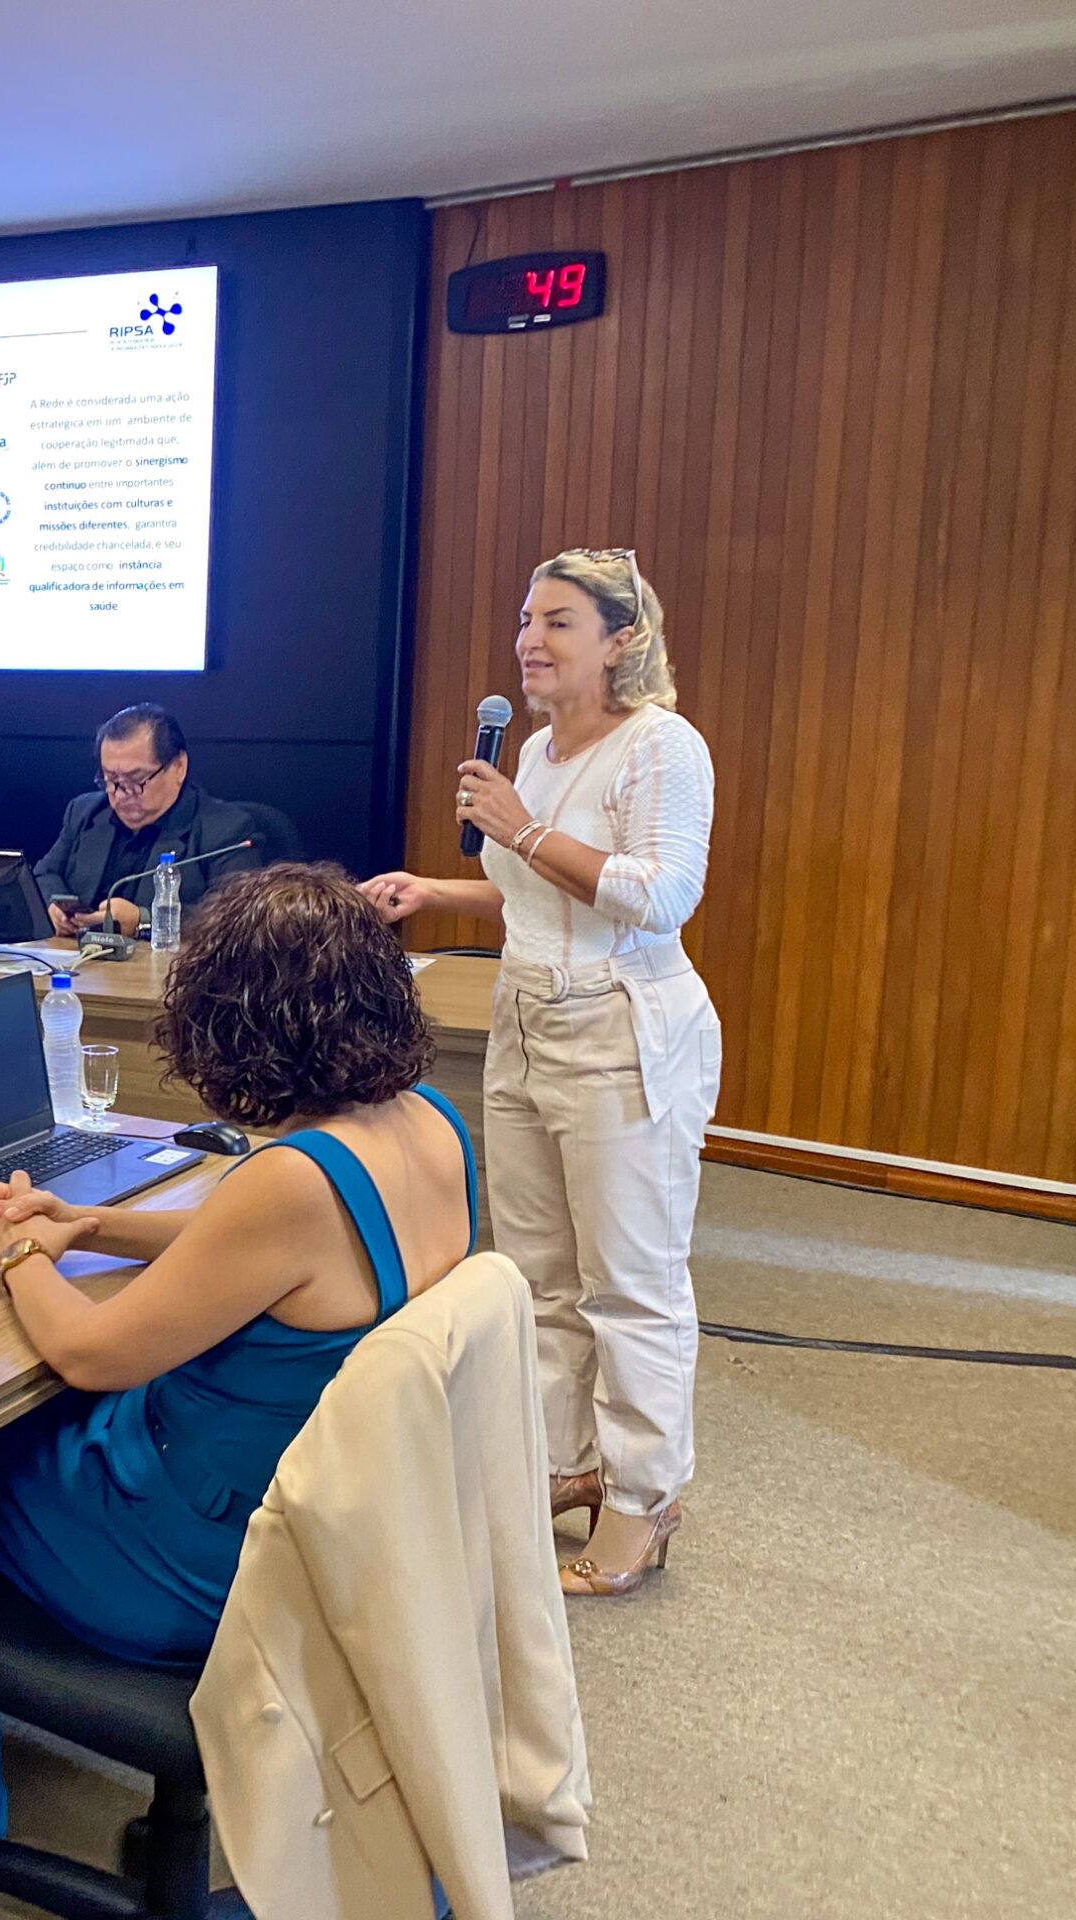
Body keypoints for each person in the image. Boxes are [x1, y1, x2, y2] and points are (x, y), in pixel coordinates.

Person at [0, 865, 478, 1836]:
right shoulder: (429, 1124)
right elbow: (265, 1259)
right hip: (337, 1521)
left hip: (205, 1557)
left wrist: (16, 1245)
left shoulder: (289, 1180)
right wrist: (82, 1224)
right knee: (25, 1427)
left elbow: (88, 1354)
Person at [363, 547, 720, 1599]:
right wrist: (436, 887)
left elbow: (657, 896)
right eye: (525, 618)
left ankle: (644, 1502)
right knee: (535, 1273)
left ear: (621, 639)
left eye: (558, 620)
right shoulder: (535, 750)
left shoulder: (662, 747)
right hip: (524, 1021)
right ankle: (565, 1459)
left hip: (620, 1027)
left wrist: (519, 826)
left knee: (631, 1283)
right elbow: (534, 893)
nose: (529, 638)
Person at [31, 704, 300, 937]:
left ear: (178, 767)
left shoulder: (227, 830)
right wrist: (55, 906)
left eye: (137, 781)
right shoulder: (84, 812)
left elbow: (237, 918)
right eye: (110, 780)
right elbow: (44, 874)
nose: (121, 794)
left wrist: (144, 921)